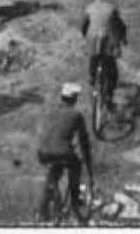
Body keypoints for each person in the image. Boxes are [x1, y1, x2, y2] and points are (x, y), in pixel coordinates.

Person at [37, 83, 95, 222]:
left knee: (53, 172)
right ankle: (76, 202)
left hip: (42, 152)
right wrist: (87, 162)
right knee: (76, 167)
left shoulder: (50, 111)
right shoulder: (76, 115)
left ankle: (42, 211)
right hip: (63, 153)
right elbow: (83, 141)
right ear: (74, 99)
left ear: (62, 97)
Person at [82, 0, 127, 103]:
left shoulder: (89, 8)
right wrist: (123, 38)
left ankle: (91, 77)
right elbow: (120, 26)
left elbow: (83, 25)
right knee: (112, 69)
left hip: (92, 41)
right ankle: (109, 94)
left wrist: (85, 35)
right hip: (108, 42)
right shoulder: (112, 9)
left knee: (93, 58)